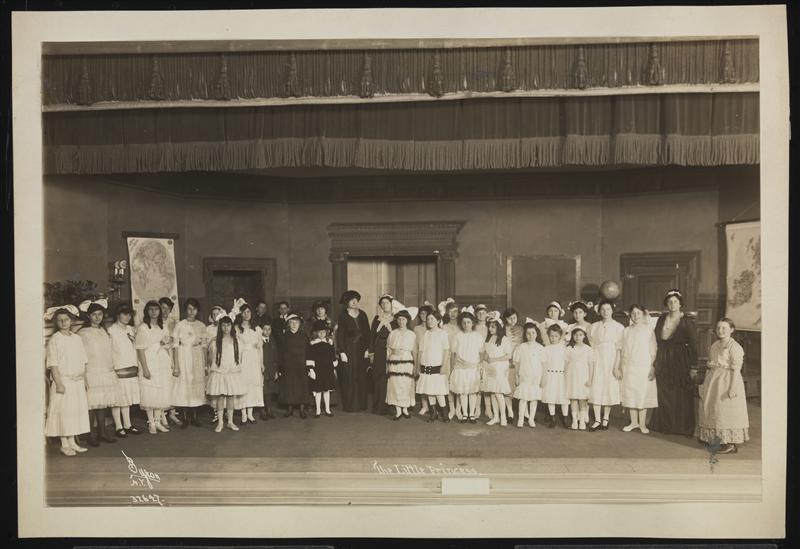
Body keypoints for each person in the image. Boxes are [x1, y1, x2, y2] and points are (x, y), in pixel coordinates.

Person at [650, 289, 699, 436]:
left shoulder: (687, 321)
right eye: (669, 302)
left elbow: (694, 345)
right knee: (664, 392)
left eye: (675, 301)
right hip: (663, 358)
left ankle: (682, 428)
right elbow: (655, 338)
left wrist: (693, 366)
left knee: (680, 393)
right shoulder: (661, 319)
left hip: (680, 360)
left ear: (680, 304)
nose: (672, 304)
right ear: (666, 304)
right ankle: (665, 425)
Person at [696, 318, 749, 454]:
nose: (720, 331)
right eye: (718, 328)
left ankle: (730, 443)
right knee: (713, 409)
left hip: (727, 380)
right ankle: (714, 438)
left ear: (732, 330)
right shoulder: (715, 345)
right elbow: (711, 362)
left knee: (726, 410)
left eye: (724, 328)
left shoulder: (735, 347)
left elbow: (736, 369)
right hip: (714, 380)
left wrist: (732, 388)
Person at [44, 305, 90, 456]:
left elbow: (83, 360)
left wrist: (85, 379)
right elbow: (53, 364)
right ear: (56, 322)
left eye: (66, 319)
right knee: (63, 412)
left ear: (71, 321)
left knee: (74, 412)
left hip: (77, 381)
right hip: (63, 382)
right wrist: (58, 383)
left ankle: (72, 442)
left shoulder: (77, 338)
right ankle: (64, 443)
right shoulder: (55, 340)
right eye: (60, 320)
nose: (63, 322)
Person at [78, 299, 119, 446]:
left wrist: (111, 366)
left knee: (101, 403)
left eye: (100, 314)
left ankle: (102, 433)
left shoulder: (104, 331)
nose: (97, 317)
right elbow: (81, 355)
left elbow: (108, 351)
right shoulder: (83, 333)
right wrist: (84, 375)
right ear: (88, 316)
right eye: (94, 314)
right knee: (91, 404)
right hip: (91, 371)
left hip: (105, 370)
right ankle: (91, 435)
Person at [136, 300, 176, 435]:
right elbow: (140, 350)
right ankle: (151, 423)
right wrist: (145, 368)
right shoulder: (143, 328)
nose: (154, 312)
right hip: (149, 361)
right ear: (147, 311)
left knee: (161, 391)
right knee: (150, 391)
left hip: (162, 362)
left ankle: (158, 421)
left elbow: (167, 345)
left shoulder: (163, 326)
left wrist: (168, 350)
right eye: (151, 309)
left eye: (156, 309)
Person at [619, 304, 658, 433]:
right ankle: (633, 422)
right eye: (633, 313)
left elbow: (653, 351)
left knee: (642, 393)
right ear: (630, 315)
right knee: (631, 392)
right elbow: (623, 350)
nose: (636, 316)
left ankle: (642, 424)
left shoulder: (648, 330)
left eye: (638, 313)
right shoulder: (626, 331)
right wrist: (621, 366)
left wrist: (652, 366)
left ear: (643, 314)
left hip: (644, 366)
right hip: (629, 366)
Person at [171, 298, 207, 428]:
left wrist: (205, 364)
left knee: (195, 385)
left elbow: (204, 347)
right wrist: (176, 365)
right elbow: (175, 346)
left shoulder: (201, 326)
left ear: (197, 311)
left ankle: (195, 416)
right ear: (186, 310)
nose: (192, 312)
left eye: (194, 309)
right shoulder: (180, 325)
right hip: (184, 356)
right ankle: (185, 417)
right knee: (185, 386)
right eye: (189, 309)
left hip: (197, 357)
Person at [588, 300, 624, 431]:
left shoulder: (619, 327)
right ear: (599, 311)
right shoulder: (594, 326)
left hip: (611, 358)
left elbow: (619, 349)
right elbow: (591, 345)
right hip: (597, 358)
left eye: (608, 309)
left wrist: (616, 366)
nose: (605, 312)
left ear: (612, 310)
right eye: (603, 309)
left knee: (609, 387)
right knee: (596, 387)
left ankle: (606, 418)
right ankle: (597, 419)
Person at [108, 303, 141, 437]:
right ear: (118, 315)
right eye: (124, 314)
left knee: (127, 398)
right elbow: (109, 350)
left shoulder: (131, 329)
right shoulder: (111, 330)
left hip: (131, 366)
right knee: (118, 398)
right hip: (118, 367)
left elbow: (137, 347)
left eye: (129, 315)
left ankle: (127, 424)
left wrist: (135, 340)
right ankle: (118, 426)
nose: (127, 317)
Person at [206, 315, 244, 432]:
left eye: (228, 325)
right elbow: (211, 358)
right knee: (221, 396)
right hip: (219, 372)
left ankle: (230, 422)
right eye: (223, 325)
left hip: (231, 372)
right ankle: (220, 422)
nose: (226, 328)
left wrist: (234, 368)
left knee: (230, 396)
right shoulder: (215, 341)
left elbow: (240, 357)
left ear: (232, 326)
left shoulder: (237, 341)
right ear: (220, 327)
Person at [335, 290, 371, 412]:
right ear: (347, 302)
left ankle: (361, 404)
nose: (355, 302)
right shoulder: (343, 316)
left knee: (361, 376)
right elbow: (340, 334)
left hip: (361, 349)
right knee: (349, 377)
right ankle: (351, 405)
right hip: (348, 349)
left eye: (356, 300)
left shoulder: (363, 314)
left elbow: (367, 332)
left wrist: (367, 348)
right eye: (352, 300)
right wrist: (342, 352)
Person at [416, 310, 450, 422]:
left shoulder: (442, 334)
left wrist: (444, 365)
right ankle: (433, 413)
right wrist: (418, 365)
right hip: (426, 365)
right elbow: (421, 350)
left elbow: (446, 350)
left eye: (432, 319)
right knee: (429, 390)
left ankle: (445, 413)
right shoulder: (426, 334)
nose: (429, 321)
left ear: (438, 320)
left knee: (439, 391)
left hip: (438, 365)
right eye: (428, 319)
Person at [449, 308, 483, 423]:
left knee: (472, 391)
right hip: (461, 367)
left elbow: (481, 353)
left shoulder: (477, 336)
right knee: (463, 391)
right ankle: (464, 414)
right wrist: (454, 366)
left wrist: (479, 366)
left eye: (468, 322)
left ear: (472, 323)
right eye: (464, 322)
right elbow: (453, 353)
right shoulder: (458, 336)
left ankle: (471, 414)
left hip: (473, 368)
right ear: (461, 324)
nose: (466, 325)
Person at [233, 302, 264, 424]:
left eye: (248, 312)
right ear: (240, 314)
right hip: (243, 358)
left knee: (253, 385)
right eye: (244, 312)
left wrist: (261, 363)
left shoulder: (257, 329)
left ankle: (250, 414)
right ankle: (243, 414)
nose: (246, 314)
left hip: (254, 359)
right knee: (243, 385)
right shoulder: (237, 328)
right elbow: (235, 347)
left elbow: (260, 348)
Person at [482, 312, 513, 427]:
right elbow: (486, 353)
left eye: (493, 327)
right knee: (492, 393)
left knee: (498, 393)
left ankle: (503, 416)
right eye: (489, 326)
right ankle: (496, 417)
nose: (490, 329)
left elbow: (508, 355)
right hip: (490, 368)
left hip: (499, 368)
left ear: (499, 327)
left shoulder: (504, 339)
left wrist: (494, 359)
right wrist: (486, 359)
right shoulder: (489, 339)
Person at [385, 308, 417, 420]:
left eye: (403, 319)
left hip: (407, 361)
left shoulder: (412, 334)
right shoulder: (392, 333)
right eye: (399, 319)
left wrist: (415, 365)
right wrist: (387, 364)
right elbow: (388, 350)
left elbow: (414, 351)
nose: (401, 321)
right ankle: (398, 410)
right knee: (395, 385)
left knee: (406, 384)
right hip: (394, 361)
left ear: (407, 320)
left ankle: (405, 409)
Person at [512, 320, 544, 428]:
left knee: (534, 399)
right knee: (523, 398)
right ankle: (520, 419)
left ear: (537, 333)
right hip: (524, 376)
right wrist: (516, 377)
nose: (531, 335)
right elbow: (517, 363)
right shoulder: (521, 347)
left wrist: (542, 379)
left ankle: (531, 419)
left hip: (536, 377)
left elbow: (543, 364)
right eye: (528, 333)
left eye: (533, 333)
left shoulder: (540, 348)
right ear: (525, 335)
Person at [279, 313, 311, 418]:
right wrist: (281, 367)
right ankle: (290, 408)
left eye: (296, 322)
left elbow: (308, 351)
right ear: (288, 324)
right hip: (288, 366)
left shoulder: (304, 336)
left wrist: (309, 366)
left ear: (299, 324)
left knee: (302, 387)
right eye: (291, 322)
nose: (294, 325)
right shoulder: (284, 336)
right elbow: (281, 352)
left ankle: (302, 409)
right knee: (289, 387)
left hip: (301, 365)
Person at [370, 294, 396, 415]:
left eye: (387, 303)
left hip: (392, 350)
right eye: (382, 303)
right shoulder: (377, 319)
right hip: (379, 350)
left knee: (391, 377)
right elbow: (372, 336)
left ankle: (391, 406)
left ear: (391, 304)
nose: (385, 305)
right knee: (379, 377)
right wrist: (371, 353)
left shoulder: (396, 318)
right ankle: (379, 406)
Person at [307, 319, 338, 417]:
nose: (321, 334)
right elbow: (310, 357)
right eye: (319, 332)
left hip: (328, 370)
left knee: (327, 390)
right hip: (318, 370)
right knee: (318, 391)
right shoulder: (313, 344)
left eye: (323, 332)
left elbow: (333, 357)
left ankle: (327, 409)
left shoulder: (329, 344)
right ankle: (318, 410)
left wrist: (334, 367)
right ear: (316, 333)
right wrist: (311, 369)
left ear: (326, 333)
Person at [158, 297, 182, 427]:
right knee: (162, 384)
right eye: (163, 308)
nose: (165, 311)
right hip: (161, 355)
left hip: (173, 354)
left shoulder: (175, 323)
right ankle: (162, 414)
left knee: (173, 384)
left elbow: (178, 340)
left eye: (168, 308)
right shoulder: (155, 323)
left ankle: (172, 412)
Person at [541, 324, 570, 428]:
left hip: (561, 375)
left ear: (560, 336)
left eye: (556, 336)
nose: (553, 338)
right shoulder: (546, 349)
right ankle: (552, 418)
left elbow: (567, 363)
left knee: (564, 398)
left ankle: (565, 418)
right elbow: (544, 364)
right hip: (550, 375)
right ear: (548, 336)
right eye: (551, 336)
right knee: (551, 397)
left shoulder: (564, 348)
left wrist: (566, 375)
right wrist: (544, 377)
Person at [565, 325, 593, 430]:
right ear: (572, 336)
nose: (578, 337)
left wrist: (590, 379)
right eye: (575, 335)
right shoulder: (569, 348)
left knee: (582, 399)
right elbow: (565, 363)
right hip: (572, 376)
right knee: (573, 398)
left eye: (580, 335)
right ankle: (574, 421)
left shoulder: (588, 349)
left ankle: (581, 421)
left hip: (583, 376)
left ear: (584, 336)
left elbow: (591, 365)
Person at [439, 299, 461, 420]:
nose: (453, 314)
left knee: (459, 383)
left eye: (455, 311)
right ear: (447, 313)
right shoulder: (444, 327)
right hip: (447, 358)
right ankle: (451, 408)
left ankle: (459, 409)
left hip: (460, 358)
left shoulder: (462, 326)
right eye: (450, 311)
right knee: (448, 383)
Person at [414, 303, 435, 416]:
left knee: (432, 383)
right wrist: (416, 362)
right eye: (421, 314)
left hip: (432, 358)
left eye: (425, 314)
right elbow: (415, 347)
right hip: (421, 357)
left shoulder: (433, 328)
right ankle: (424, 406)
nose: (423, 316)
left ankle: (433, 406)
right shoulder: (417, 329)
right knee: (422, 382)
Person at [502, 308, 523, 421]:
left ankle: (523, 413)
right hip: (507, 361)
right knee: (508, 387)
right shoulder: (502, 329)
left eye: (514, 318)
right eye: (509, 318)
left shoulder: (522, 329)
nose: (512, 320)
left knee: (521, 386)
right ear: (506, 319)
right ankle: (510, 412)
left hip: (520, 361)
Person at [260, 322, 279, 420]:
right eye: (265, 329)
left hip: (271, 369)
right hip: (262, 369)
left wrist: (276, 371)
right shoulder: (259, 341)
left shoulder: (273, 341)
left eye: (269, 329)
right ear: (261, 330)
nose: (267, 331)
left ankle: (269, 409)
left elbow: (276, 357)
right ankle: (262, 410)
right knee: (263, 390)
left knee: (270, 390)